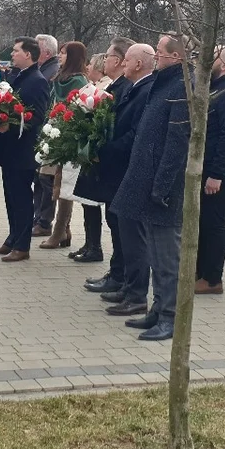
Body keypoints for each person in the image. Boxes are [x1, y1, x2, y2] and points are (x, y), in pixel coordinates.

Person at [110, 34, 189, 341]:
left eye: (160, 52)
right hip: (146, 179)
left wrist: (163, 186)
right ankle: (157, 309)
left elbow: (176, 144)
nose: (156, 56)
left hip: (162, 185)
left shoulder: (182, 88)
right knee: (155, 253)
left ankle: (171, 317)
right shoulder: (163, 82)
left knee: (167, 256)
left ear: (176, 57)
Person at [85, 44, 155, 313]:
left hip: (130, 169)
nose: (122, 64)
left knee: (135, 238)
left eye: (125, 60)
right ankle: (127, 286)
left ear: (137, 64)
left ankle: (136, 295)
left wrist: (104, 149)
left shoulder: (146, 90)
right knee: (124, 232)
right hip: (122, 169)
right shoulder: (136, 87)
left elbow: (135, 134)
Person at [0, 37, 51, 262]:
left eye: (16, 51)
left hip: (22, 149)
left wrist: (11, 124)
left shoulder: (37, 80)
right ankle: (13, 238)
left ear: (28, 55)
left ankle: (22, 246)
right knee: (10, 196)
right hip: (10, 148)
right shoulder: (17, 76)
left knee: (22, 197)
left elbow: (37, 117)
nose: (12, 54)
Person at [71, 37, 134, 265]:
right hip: (105, 160)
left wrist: (103, 148)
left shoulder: (125, 88)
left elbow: (124, 129)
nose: (103, 60)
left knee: (117, 221)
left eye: (107, 56)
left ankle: (120, 274)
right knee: (111, 218)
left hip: (115, 162)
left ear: (117, 60)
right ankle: (116, 272)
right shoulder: (115, 86)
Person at [195, 47, 225, 294]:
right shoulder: (215, 87)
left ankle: (213, 278)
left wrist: (216, 174)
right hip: (206, 166)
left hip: (218, 171)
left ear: (224, 64)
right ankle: (200, 272)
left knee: (214, 225)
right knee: (203, 223)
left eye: (212, 57)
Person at [39, 41, 89, 250]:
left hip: (67, 134)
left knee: (62, 182)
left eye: (64, 53)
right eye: (59, 52)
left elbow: (77, 107)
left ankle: (60, 229)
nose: (60, 56)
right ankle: (63, 230)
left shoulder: (78, 80)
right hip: (53, 131)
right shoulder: (59, 78)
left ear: (74, 56)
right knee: (46, 177)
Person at [31, 34, 60, 236]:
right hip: (44, 131)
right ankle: (38, 218)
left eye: (36, 47)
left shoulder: (51, 71)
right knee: (39, 178)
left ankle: (44, 221)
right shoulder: (44, 69)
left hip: (49, 131)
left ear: (47, 52)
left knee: (45, 180)